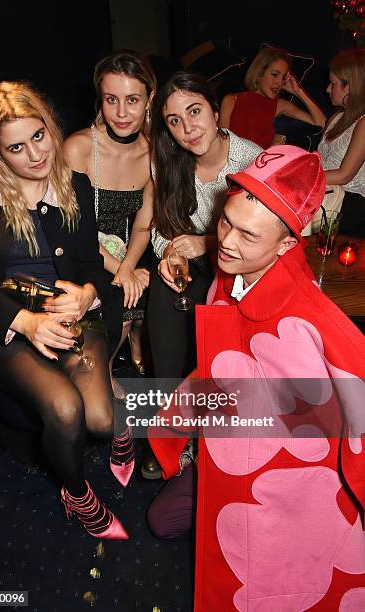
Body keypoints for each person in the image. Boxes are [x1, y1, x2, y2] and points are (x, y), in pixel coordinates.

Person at [148, 145, 365, 610]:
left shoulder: (314, 319)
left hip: (287, 479)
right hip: (226, 444)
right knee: (162, 521)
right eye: (226, 221)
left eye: (248, 235)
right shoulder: (229, 272)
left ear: (287, 245)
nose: (226, 241)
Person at [0, 81, 134, 540]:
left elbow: (95, 266)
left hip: (76, 314)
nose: (36, 155)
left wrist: (88, 293)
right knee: (64, 408)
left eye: (39, 136)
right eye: (16, 147)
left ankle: (118, 414)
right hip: (9, 327)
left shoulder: (75, 184)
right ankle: (77, 496)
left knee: (99, 417)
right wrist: (27, 322)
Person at [148, 71, 262, 379]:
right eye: (174, 121)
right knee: (165, 288)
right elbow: (161, 227)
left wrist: (210, 242)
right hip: (198, 268)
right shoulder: (166, 164)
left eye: (194, 111)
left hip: (243, 274)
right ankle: (167, 406)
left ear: (214, 111)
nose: (187, 129)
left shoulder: (252, 161)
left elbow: (265, 242)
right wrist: (170, 251)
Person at [64, 50, 156, 396]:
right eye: (111, 99)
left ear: (150, 99)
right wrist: (121, 270)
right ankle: (106, 366)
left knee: (158, 282)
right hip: (87, 248)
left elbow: (145, 221)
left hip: (133, 245)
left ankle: (134, 332)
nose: (121, 113)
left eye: (132, 100)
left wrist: (129, 265)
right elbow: (72, 227)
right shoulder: (79, 148)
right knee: (118, 292)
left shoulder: (154, 151)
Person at [219, 45, 326, 149]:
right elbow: (221, 144)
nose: (279, 82)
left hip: (262, 165)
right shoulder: (231, 100)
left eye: (283, 77)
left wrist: (298, 91)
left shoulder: (280, 105)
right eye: (275, 74)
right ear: (259, 72)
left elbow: (321, 123)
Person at [318, 48, 365, 237]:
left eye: (333, 83)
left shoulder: (363, 122)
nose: (328, 89)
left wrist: (303, 177)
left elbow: (344, 175)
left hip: (348, 203)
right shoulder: (338, 117)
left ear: (351, 86)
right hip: (326, 194)